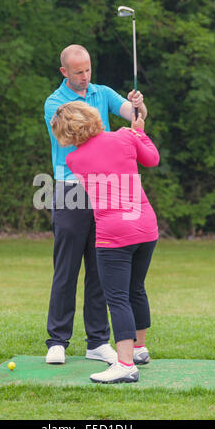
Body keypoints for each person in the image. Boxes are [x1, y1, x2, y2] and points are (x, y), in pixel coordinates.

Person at [44, 44, 148, 365]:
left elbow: (134, 118)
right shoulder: (55, 103)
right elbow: (77, 136)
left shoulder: (102, 92)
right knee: (67, 267)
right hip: (70, 189)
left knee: (101, 267)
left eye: (88, 69)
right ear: (64, 72)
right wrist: (115, 137)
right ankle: (57, 340)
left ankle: (97, 341)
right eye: (78, 72)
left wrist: (137, 108)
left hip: (102, 191)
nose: (85, 76)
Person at [51, 101, 159, 383]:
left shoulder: (74, 160)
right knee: (136, 288)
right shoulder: (125, 136)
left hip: (114, 234)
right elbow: (152, 159)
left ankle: (125, 365)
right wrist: (139, 133)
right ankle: (139, 349)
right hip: (146, 226)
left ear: (69, 134)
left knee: (118, 298)